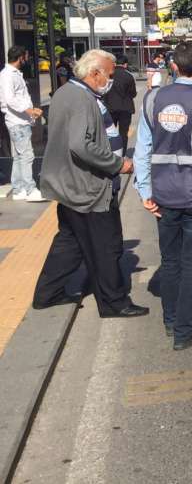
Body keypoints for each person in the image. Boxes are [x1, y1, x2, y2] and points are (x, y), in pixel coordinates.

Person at [32, 49, 148, 317]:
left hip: (70, 185)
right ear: (94, 73)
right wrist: (118, 164)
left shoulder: (64, 93)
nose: (111, 79)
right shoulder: (83, 99)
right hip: (88, 188)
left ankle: (46, 294)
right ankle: (114, 302)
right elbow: (80, 145)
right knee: (106, 247)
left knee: (70, 243)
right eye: (108, 74)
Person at [134, 40, 192, 351]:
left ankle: (171, 320)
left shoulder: (152, 99)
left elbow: (142, 150)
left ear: (172, 66)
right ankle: (184, 332)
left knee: (170, 260)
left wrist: (145, 190)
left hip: (163, 193)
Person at [0, 46, 46, 201]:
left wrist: (30, 111)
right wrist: (29, 111)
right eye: (25, 56)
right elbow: (10, 99)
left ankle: (19, 188)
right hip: (17, 121)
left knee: (20, 156)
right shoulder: (8, 75)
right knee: (27, 155)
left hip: (20, 120)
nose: (27, 59)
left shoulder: (13, 74)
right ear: (20, 57)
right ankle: (29, 189)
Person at [104, 55, 137, 152]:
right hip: (125, 109)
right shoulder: (129, 75)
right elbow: (133, 93)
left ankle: (111, 152)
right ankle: (122, 154)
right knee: (123, 132)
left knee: (109, 132)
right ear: (125, 64)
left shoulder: (108, 74)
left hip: (110, 108)